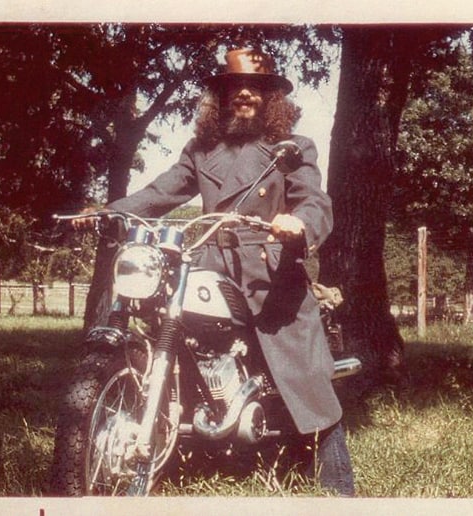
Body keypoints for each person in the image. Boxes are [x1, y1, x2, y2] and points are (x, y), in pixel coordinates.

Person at [76, 47, 354, 496]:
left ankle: (337, 491)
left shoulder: (293, 148)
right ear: (220, 97)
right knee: (167, 329)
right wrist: (111, 212)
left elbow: (314, 200)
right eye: (232, 87)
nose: (243, 93)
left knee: (305, 380)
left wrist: (298, 223)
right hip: (208, 264)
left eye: (255, 87)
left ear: (271, 97)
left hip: (271, 274)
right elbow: (160, 192)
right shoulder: (202, 149)